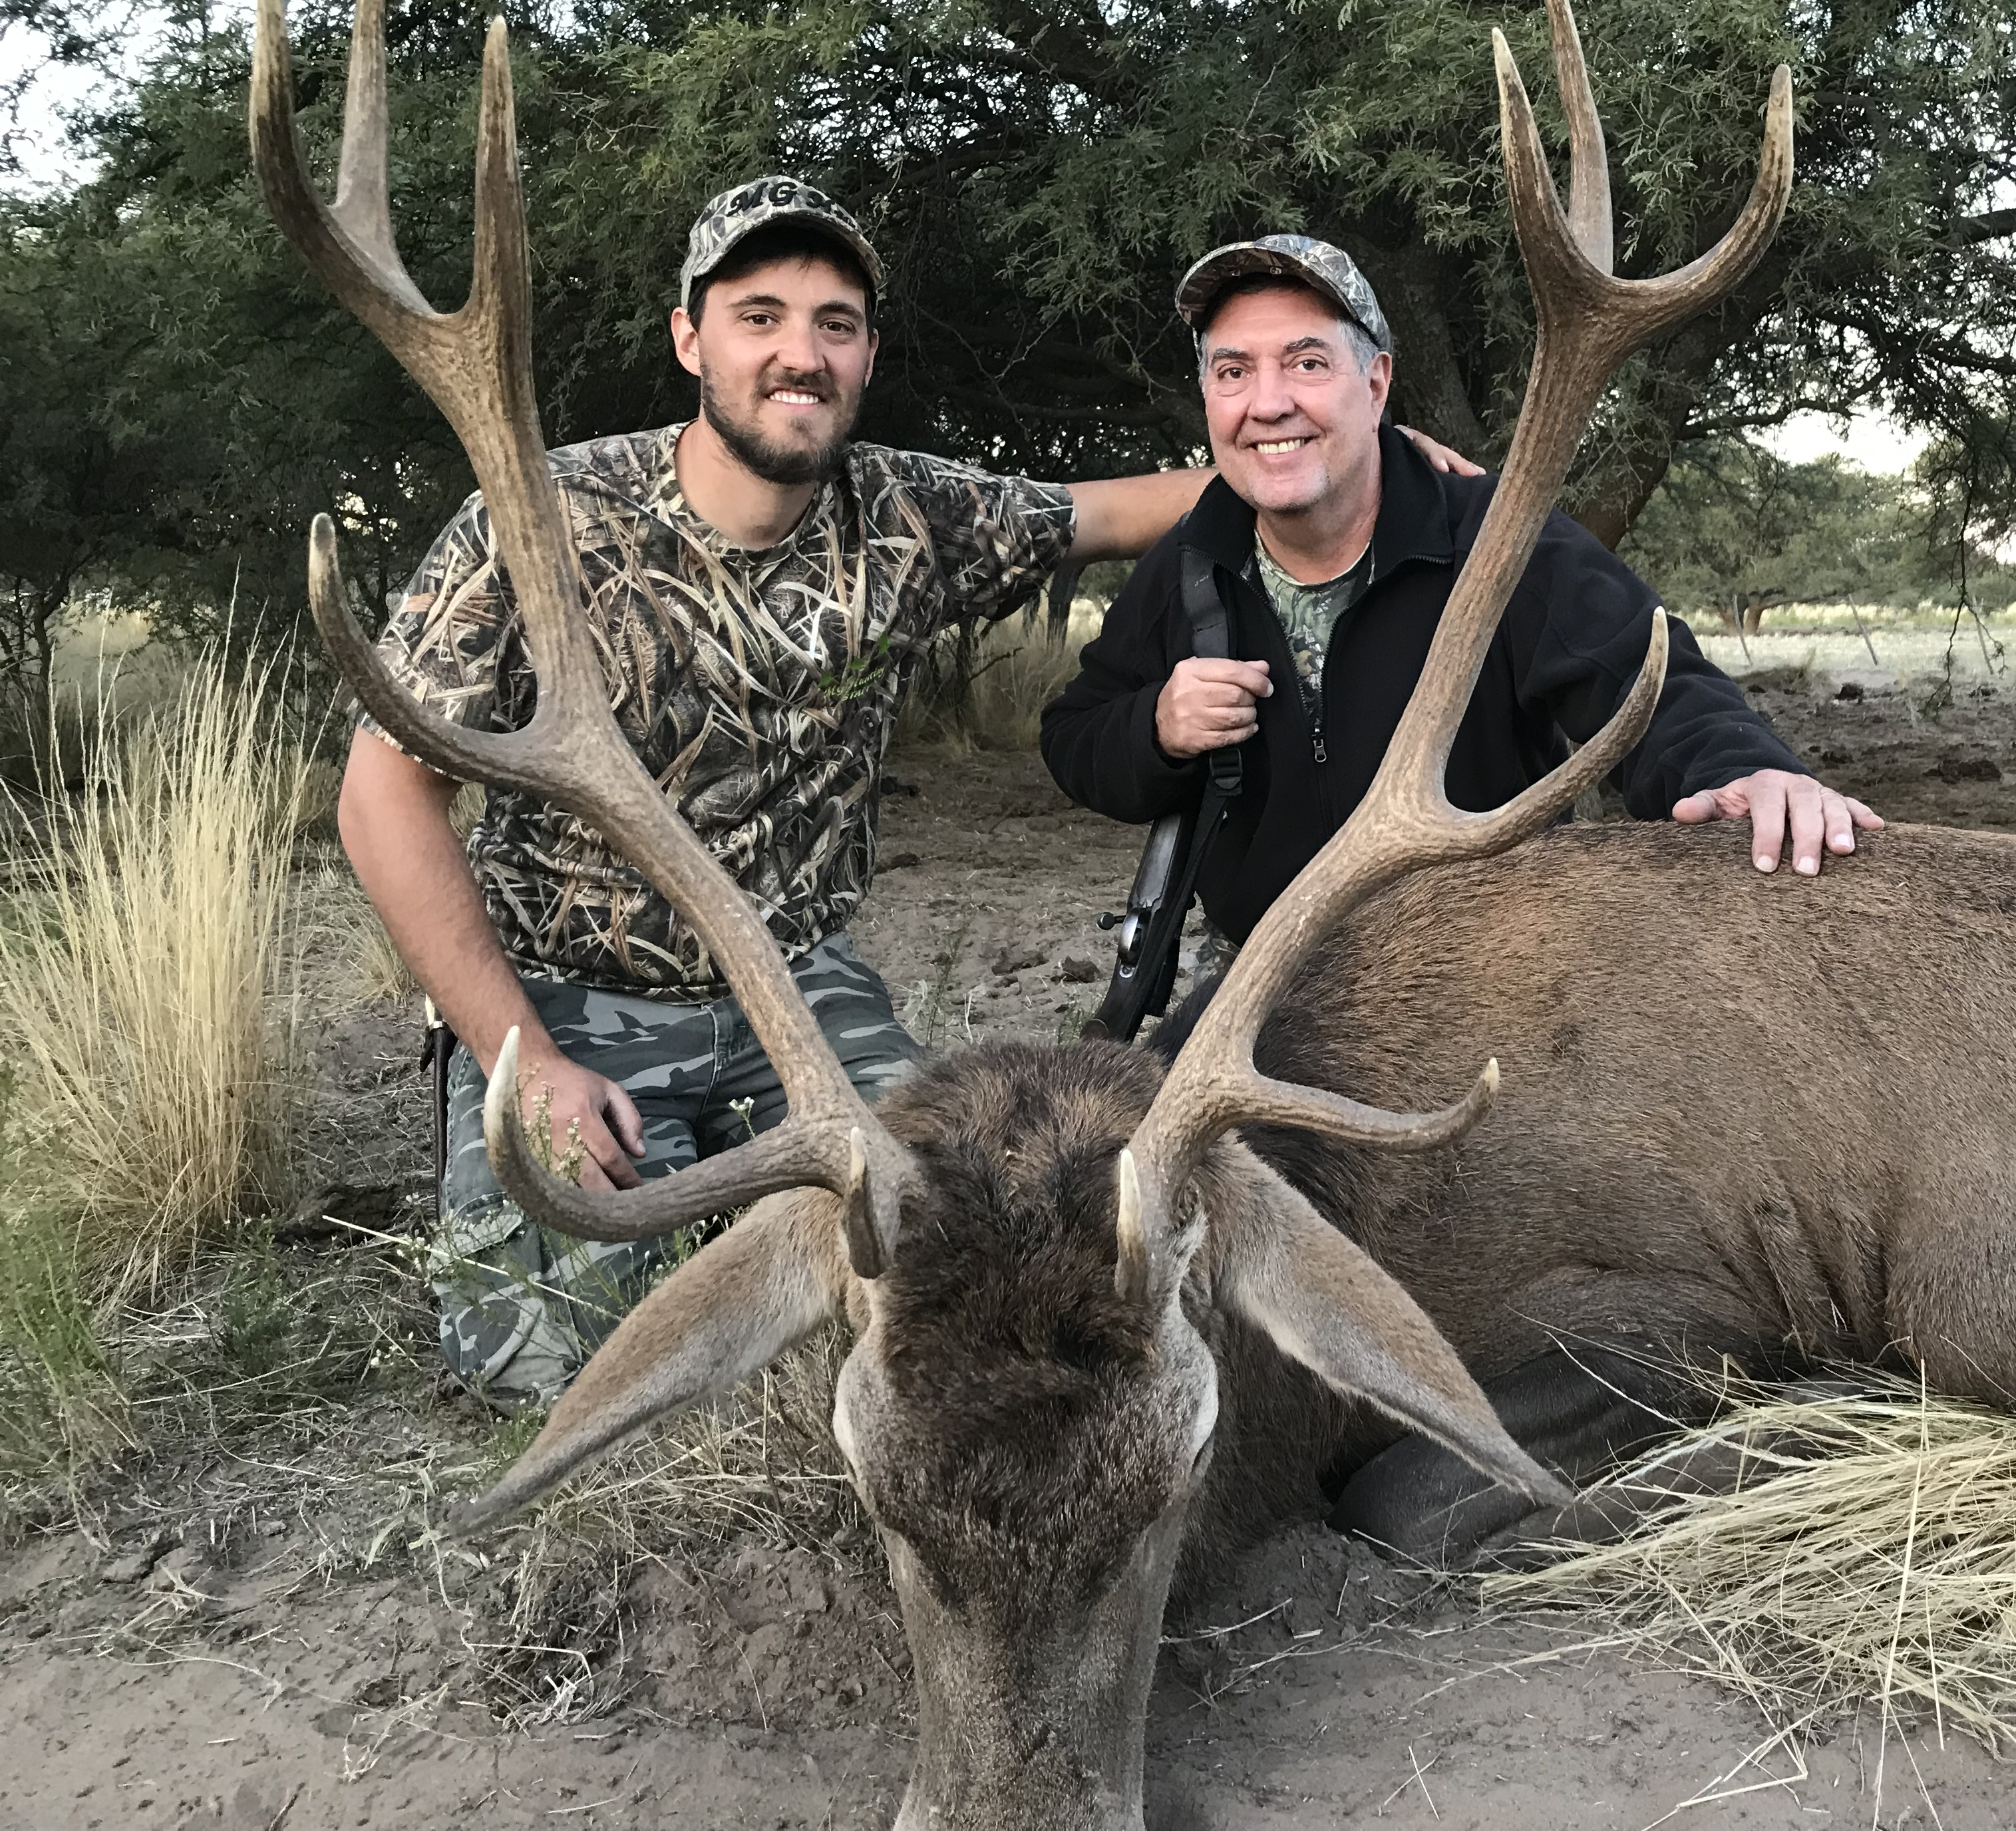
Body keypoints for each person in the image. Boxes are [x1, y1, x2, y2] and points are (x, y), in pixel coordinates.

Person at [340, 181, 1475, 1403]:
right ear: (689, 338)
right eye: (758, 315)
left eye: (835, 323)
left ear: (868, 352)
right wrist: (529, 1054)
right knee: (562, 1364)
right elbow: (381, 800)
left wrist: (1356, 451)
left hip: (801, 991)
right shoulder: (534, 516)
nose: (799, 354)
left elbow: (1114, 509)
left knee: (973, 1276)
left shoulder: (902, 513)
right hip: (565, 1001)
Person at [1040, 234, 1881, 975]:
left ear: (1375, 386)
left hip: (1493, 967)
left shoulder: (1500, 539)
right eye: (1234, 372)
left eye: (1306, 363)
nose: (1268, 403)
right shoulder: (1192, 562)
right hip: (1270, 979)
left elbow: (1648, 678)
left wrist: (1744, 771)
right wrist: (1157, 728)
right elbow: (1076, 738)